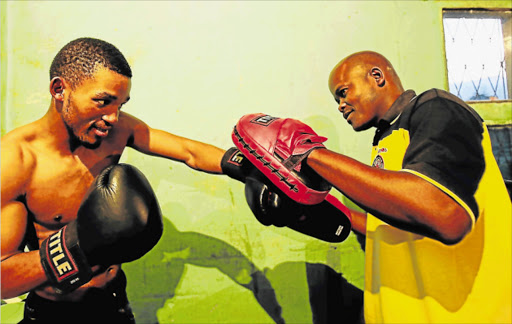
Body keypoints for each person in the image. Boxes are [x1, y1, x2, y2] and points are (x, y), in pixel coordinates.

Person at [240, 51, 511, 323]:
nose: (340, 105)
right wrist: (317, 213)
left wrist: (307, 153)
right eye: (337, 99)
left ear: (377, 77)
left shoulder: (435, 107)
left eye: (343, 93)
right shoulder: (386, 136)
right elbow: (395, 226)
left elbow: (443, 213)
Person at [1, 37, 229, 323]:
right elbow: (2, 278)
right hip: (54, 313)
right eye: (103, 101)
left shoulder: (114, 131)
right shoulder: (14, 162)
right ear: (59, 89)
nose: (113, 117)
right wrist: (79, 244)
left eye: (120, 105)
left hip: (113, 303)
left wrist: (251, 167)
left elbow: (189, 152)